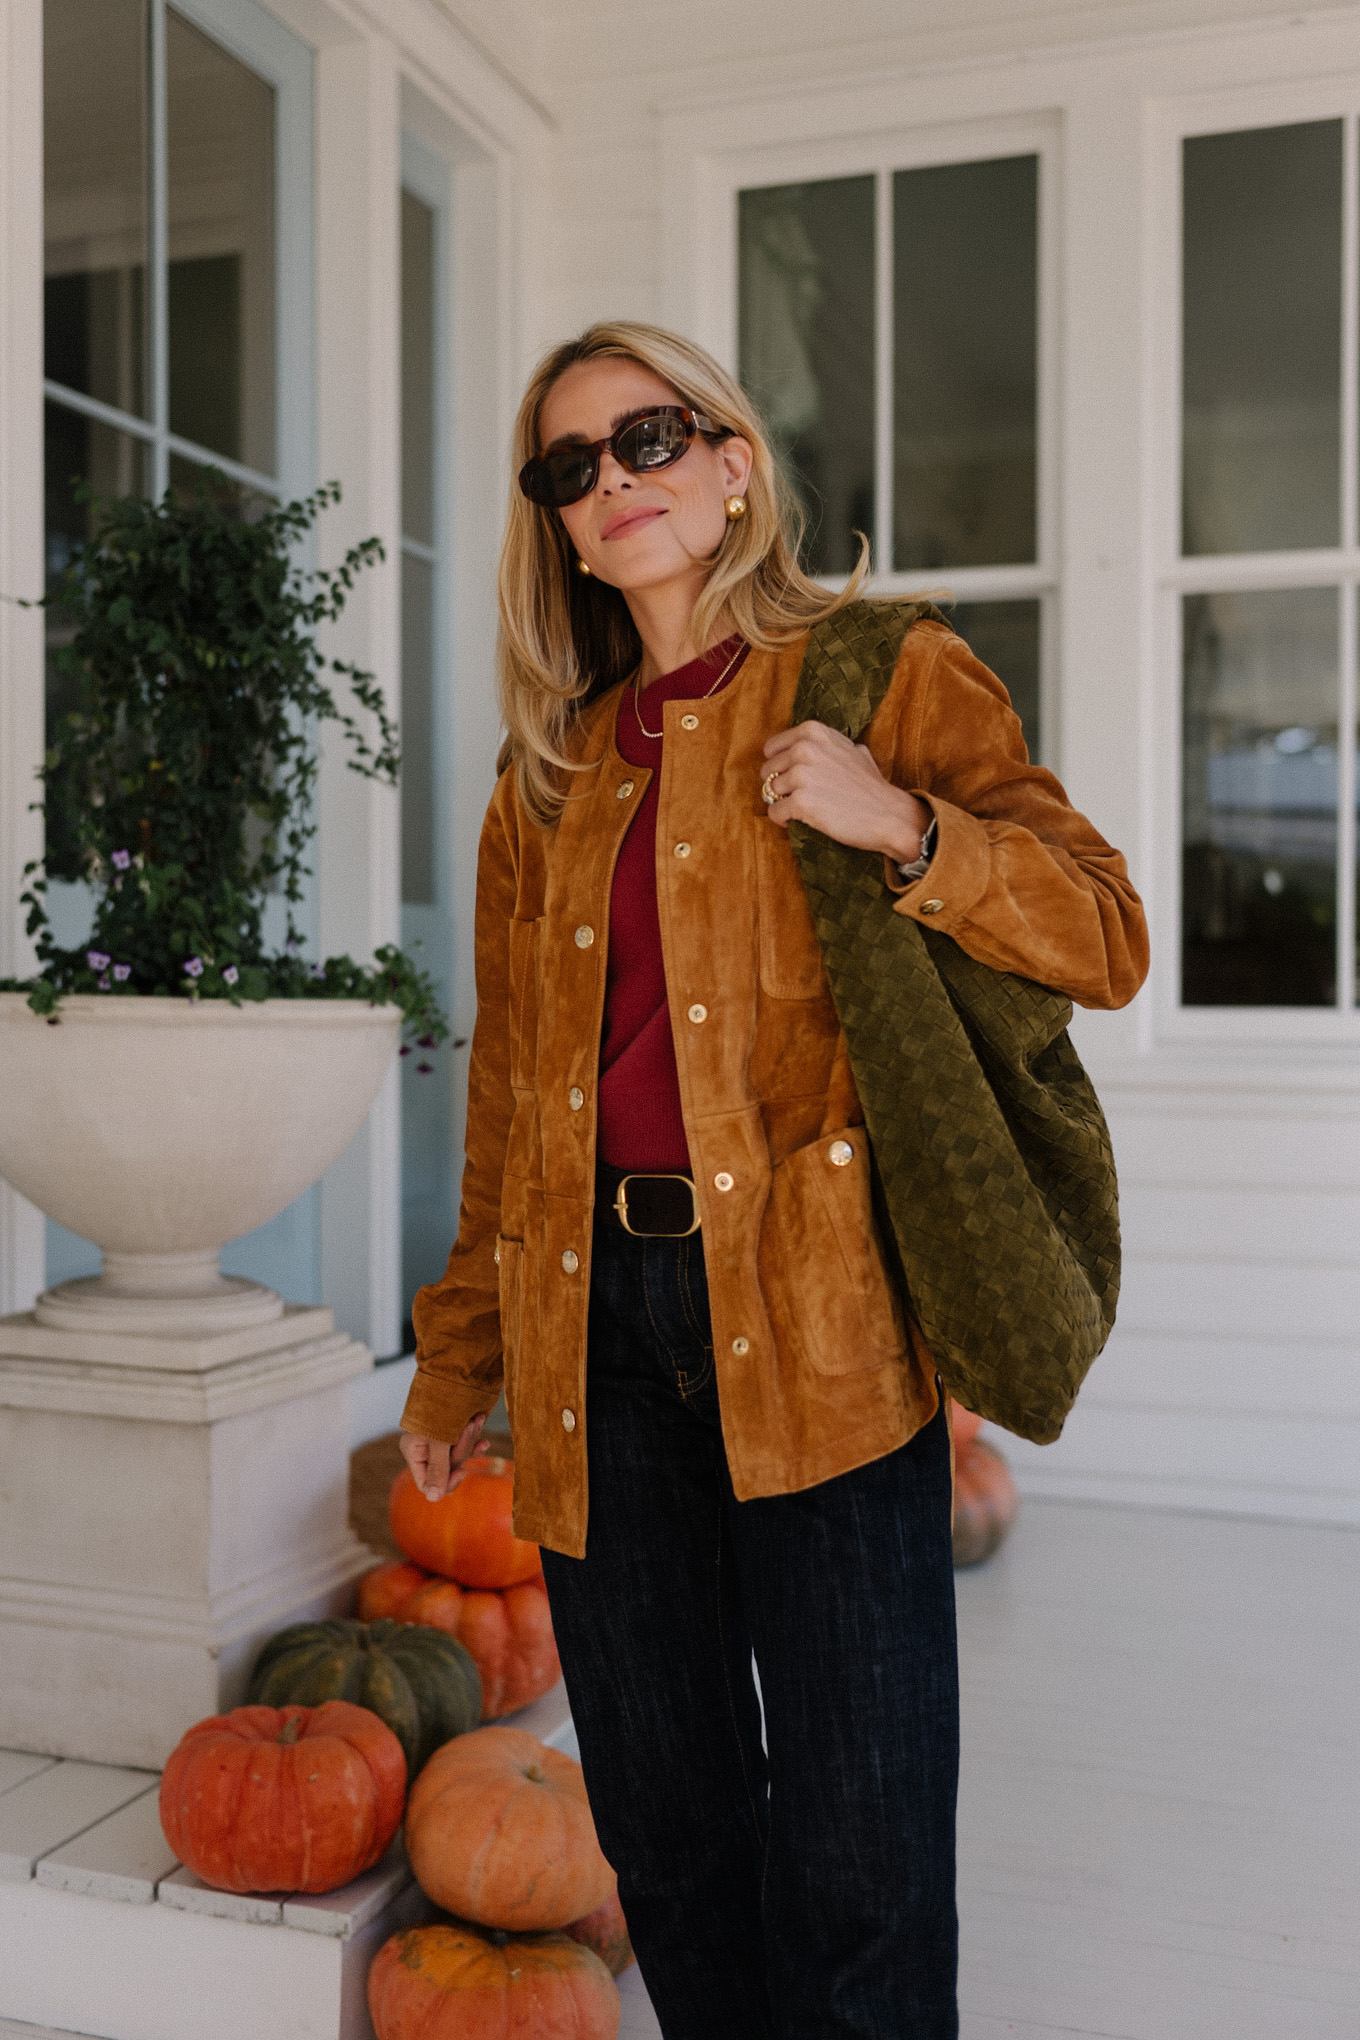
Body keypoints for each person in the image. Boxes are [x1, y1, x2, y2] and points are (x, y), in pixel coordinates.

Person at [398, 319, 1148, 2039]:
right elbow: (513, 1104)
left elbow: (1107, 930)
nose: (612, 484)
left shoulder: (884, 678)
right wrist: (462, 1351)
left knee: (861, 1843)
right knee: (670, 1840)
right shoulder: (552, 774)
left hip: (818, 1323)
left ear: (734, 465)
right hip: (595, 1334)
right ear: (558, 525)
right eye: (568, 468)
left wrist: (908, 826)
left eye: (647, 439)